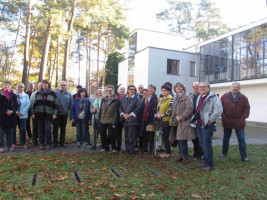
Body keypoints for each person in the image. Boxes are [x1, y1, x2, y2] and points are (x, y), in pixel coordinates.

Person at [219, 82, 250, 162]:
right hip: (227, 121)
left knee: (241, 139)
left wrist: (242, 118)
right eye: (233, 87)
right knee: (226, 138)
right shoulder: (224, 96)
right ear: (231, 87)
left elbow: (247, 109)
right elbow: (219, 106)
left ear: (239, 88)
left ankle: (244, 156)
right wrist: (223, 115)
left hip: (239, 122)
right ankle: (224, 153)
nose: (234, 88)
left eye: (236, 87)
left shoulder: (243, 98)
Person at [196, 81, 222, 171]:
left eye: (204, 86)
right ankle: (206, 161)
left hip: (207, 124)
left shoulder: (213, 97)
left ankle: (209, 164)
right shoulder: (200, 96)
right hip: (199, 123)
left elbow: (218, 110)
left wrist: (210, 120)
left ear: (208, 88)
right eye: (200, 87)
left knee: (206, 144)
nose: (202, 88)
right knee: (202, 143)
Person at [32, 80, 58, 150]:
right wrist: (33, 113)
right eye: (43, 84)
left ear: (48, 85)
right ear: (42, 85)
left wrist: (54, 113)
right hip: (39, 114)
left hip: (48, 114)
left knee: (47, 129)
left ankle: (48, 143)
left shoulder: (53, 94)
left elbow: (55, 105)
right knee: (40, 129)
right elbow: (34, 104)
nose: (45, 85)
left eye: (46, 84)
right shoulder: (38, 93)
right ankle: (41, 143)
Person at [171, 82, 193, 164]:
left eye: (180, 86)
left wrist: (181, 117)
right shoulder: (175, 97)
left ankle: (185, 157)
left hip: (183, 122)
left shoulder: (187, 97)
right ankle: (180, 156)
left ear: (183, 88)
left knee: (182, 141)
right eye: (176, 86)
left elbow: (189, 109)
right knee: (178, 140)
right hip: (176, 122)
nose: (178, 87)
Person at [119, 85, 142, 155]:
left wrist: (131, 115)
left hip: (133, 120)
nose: (131, 90)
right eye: (130, 89)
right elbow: (120, 108)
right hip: (125, 120)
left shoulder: (137, 99)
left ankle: (131, 150)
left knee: (131, 136)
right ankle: (127, 149)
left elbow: (138, 108)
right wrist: (123, 114)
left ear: (135, 90)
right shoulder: (123, 98)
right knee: (126, 136)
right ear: (128, 90)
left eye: (133, 89)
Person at [98, 85, 120, 152]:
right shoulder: (103, 99)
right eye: (108, 90)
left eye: (110, 90)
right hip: (103, 120)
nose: (109, 91)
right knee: (102, 134)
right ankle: (105, 147)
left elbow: (117, 113)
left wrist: (115, 122)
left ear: (113, 91)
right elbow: (101, 110)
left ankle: (113, 148)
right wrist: (99, 120)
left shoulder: (116, 100)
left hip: (111, 120)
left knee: (111, 135)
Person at [52, 81, 73, 148]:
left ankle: (62, 142)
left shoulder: (69, 94)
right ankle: (55, 142)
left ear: (66, 86)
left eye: (64, 85)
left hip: (64, 115)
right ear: (60, 86)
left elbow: (71, 105)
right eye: (62, 85)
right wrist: (53, 113)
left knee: (63, 129)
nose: (63, 86)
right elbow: (53, 104)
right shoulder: (56, 93)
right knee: (55, 129)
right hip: (56, 114)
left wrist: (71, 115)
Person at [155, 85, 173, 158]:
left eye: (165, 90)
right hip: (161, 121)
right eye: (162, 90)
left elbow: (170, 110)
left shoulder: (171, 99)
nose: (163, 91)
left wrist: (162, 115)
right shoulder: (161, 99)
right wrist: (157, 114)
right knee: (164, 137)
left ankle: (168, 152)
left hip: (167, 121)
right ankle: (167, 151)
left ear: (169, 91)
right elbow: (159, 108)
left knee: (166, 137)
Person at [0, 81, 18, 153]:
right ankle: (1, 146)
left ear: (10, 86)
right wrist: (6, 111)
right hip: (2, 116)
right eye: (5, 85)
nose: (6, 87)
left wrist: (12, 111)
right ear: (3, 86)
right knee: (1, 133)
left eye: (8, 85)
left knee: (10, 132)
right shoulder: (0, 94)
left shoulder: (13, 95)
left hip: (11, 117)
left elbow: (16, 105)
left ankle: (10, 146)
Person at [142, 84, 159, 154]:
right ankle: (144, 148)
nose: (150, 90)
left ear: (154, 89)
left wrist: (156, 117)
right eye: (149, 88)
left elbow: (159, 108)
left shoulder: (157, 98)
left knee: (151, 135)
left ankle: (151, 149)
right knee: (144, 134)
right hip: (145, 118)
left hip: (152, 118)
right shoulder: (145, 97)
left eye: (152, 88)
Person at [15, 83, 30, 149]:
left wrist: (22, 112)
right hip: (15, 115)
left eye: (22, 87)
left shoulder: (26, 95)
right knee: (13, 130)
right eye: (19, 87)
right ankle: (13, 143)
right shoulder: (13, 95)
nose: (21, 88)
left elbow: (28, 105)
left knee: (23, 129)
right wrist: (16, 112)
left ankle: (23, 143)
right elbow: (12, 104)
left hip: (23, 115)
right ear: (17, 88)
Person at [190, 82, 203, 158]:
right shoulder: (191, 97)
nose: (195, 88)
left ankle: (201, 153)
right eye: (194, 86)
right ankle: (196, 152)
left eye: (197, 86)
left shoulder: (202, 97)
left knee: (199, 138)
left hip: (200, 120)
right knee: (193, 137)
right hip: (192, 120)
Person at [116, 85, 126, 151]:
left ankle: (127, 146)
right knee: (118, 133)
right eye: (120, 89)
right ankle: (118, 146)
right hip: (118, 118)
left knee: (127, 133)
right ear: (118, 90)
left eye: (123, 89)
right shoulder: (116, 97)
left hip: (125, 117)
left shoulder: (127, 97)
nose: (122, 90)